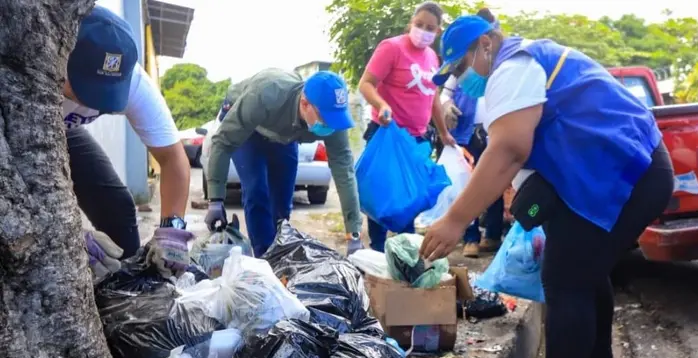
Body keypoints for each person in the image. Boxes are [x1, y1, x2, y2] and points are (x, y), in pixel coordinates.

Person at [421, 16, 675, 358]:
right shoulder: (527, 59)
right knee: (585, 268)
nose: (461, 78)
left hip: (626, 175)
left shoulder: (513, 67)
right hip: (627, 171)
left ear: (485, 44)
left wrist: (454, 220)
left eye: (461, 66)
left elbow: (509, 149)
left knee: (565, 280)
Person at [66, 6, 192, 281]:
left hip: (66, 131)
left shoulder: (134, 82)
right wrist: (64, 239)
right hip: (15, 142)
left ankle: (126, 292)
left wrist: (173, 230)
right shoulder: (21, 76)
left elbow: (173, 158)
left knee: (117, 206)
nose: (96, 105)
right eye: (88, 91)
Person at [204, 69, 363, 257]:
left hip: (285, 133)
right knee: (256, 190)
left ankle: (280, 255)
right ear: (305, 104)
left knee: (282, 202)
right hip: (249, 126)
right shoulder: (264, 95)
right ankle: (265, 259)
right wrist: (215, 199)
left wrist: (353, 234)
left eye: (334, 120)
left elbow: (344, 171)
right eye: (325, 119)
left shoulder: (333, 119)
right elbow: (223, 143)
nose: (330, 126)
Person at [357, 1, 456, 252]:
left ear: (438, 31)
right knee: (382, 196)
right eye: (419, 24)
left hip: (416, 140)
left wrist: (443, 132)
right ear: (411, 23)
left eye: (430, 28)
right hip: (388, 134)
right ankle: (378, 252)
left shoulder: (432, 57)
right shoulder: (392, 47)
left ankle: (405, 252)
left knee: (411, 198)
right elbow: (366, 84)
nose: (423, 31)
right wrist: (381, 105)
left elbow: (433, 98)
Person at [440, 7, 504, 258]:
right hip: (468, 133)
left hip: (495, 133)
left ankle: (493, 235)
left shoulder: (502, 68)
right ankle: (470, 237)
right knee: (468, 185)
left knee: (495, 183)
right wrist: (447, 106)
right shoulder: (464, 65)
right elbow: (445, 92)